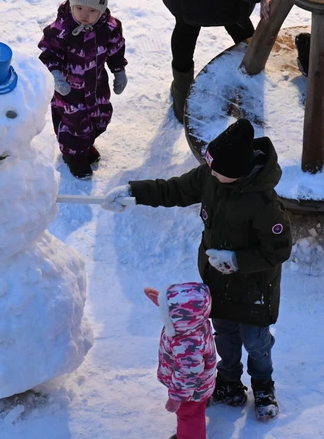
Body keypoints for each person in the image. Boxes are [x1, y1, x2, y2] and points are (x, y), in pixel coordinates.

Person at [104, 119, 292, 421]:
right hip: (216, 283)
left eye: (217, 170)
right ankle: (228, 383)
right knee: (224, 337)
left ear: (238, 172)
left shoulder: (265, 205)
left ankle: (263, 386)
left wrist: (236, 260)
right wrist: (133, 193)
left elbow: (278, 250)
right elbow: (174, 190)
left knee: (256, 343)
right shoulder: (211, 177)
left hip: (254, 289)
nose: (211, 173)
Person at [39, 0, 128, 179]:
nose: (84, 15)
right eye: (79, 8)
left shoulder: (109, 27)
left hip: (97, 87)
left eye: (92, 10)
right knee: (75, 125)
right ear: (72, 2)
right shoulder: (62, 30)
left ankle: (84, 146)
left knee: (99, 119)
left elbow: (116, 49)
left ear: (102, 7)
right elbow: (48, 54)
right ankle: (73, 156)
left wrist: (119, 72)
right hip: (69, 91)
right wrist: (57, 77)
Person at [143, 283, 217, 439]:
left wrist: (177, 397)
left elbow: (187, 374)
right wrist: (163, 301)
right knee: (193, 411)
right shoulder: (196, 322)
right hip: (199, 383)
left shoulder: (187, 343)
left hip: (191, 390)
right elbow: (185, 312)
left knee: (189, 416)